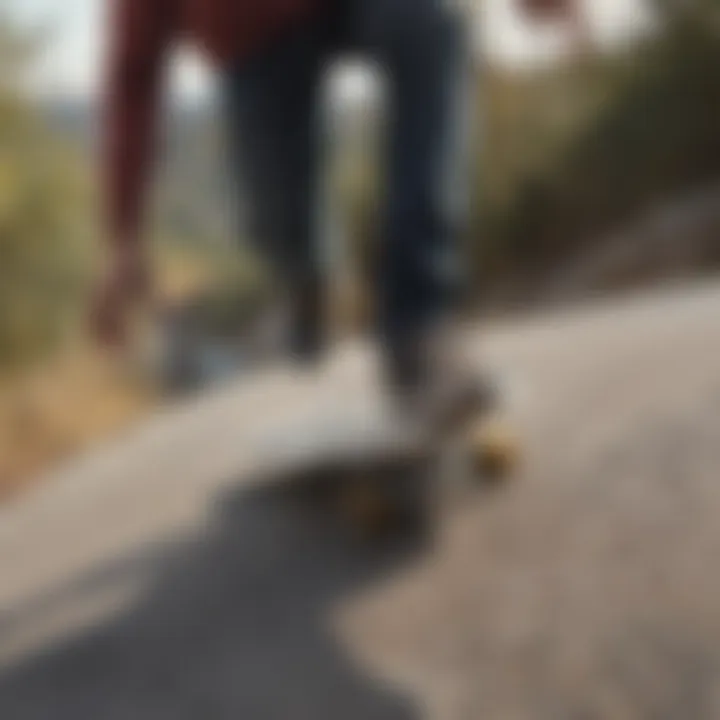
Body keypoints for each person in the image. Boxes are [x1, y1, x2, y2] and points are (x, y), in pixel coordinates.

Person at [95, 0, 577, 422]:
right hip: (251, 44)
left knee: (428, 26)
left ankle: (418, 328)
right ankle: (306, 283)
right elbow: (133, 78)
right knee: (277, 220)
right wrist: (124, 237)